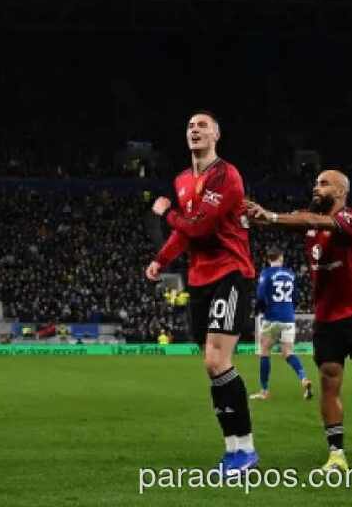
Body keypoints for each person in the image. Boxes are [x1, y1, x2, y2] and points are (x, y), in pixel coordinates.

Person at [247, 170, 352, 472]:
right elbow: (295, 220)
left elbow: (311, 220)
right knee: (329, 379)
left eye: (323, 183)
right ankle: (336, 454)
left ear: (340, 191)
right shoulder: (309, 222)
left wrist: (272, 216)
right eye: (315, 182)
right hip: (327, 317)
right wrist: (250, 211)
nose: (316, 187)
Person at [144, 111, 259, 473]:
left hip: (231, 272)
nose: (195, 130)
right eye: (190, 126)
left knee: (215, 361)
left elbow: (200, 226)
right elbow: (185, 233)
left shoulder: (226, 175)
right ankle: (234, 448)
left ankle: (246, 449)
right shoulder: (182, 179)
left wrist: (166, 213)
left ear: (216, 136)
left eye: (203, 126)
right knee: (213, 367)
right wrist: (161, 260)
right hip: (199, 279)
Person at [250, 247, 312, 400]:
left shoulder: (266, 274)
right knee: (288, 352)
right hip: (289, 317)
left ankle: (264, 391)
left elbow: (260, 296)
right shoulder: (290, 274)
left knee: (264, 351)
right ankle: (303, 378)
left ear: (268, 258)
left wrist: (259, 310)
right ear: (281, 257)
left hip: (272, 318)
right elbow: (296, 297)